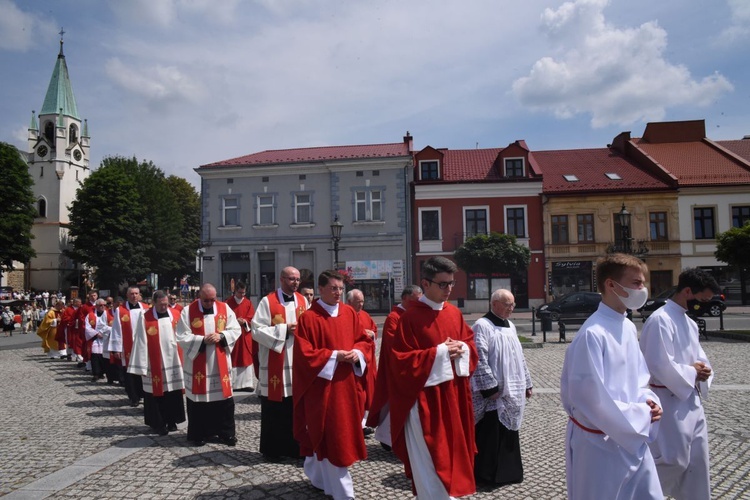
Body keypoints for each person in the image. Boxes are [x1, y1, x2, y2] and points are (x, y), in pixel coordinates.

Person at [560, 253, 663, 500]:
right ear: (611, 285)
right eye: (637, 283)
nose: (643, 289)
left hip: (632, 437)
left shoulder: (627, 325)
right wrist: (641, 415)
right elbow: (590, 400)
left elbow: (639, 377)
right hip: (599, 445)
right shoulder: (592, 334)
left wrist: (650, 401)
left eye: (643, 283)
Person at [388, 256, 478, 499]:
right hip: (425, 402)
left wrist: (462, 348)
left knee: (454, 454)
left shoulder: (454, 313)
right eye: (443, 284)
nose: (449, 290)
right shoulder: (409, 318)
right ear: (425, 284)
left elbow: (470, 344)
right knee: (431, 460)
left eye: (451, 283)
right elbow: (400, 362)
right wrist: (439, 353)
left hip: (454, 398)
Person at [294, 270, 374, 500]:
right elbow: (304, 354)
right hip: (322, 389)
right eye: (333, 288)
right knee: (331, 436)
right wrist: (334, 356)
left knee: (340, 435)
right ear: (321, 289)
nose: (338, 293)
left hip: (347, 386)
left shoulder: (349, 313)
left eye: (340, 288)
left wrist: (357, 352)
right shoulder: (309, 319)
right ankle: (343, 493)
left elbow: (363, 341)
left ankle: (321, 480)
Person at [639, 268, 718, 499]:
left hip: (691, 401)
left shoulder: (689, 323)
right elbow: (658, 364)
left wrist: (704, 370)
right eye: (702, 299)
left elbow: (699, 357)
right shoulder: (660, 320)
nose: (704, 304)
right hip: (669, 401)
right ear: (687, 291)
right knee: (672, 461)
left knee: (698, 463)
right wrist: (691, 372)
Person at [471, 289, 533, 486]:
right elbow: (479, 357)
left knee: (508, 434)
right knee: (490, 435)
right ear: (495, 304)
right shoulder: (482, 326)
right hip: (493, 393)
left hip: (512, 389)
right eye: (508, 305)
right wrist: (489, 388)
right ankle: (487, 476)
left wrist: (527, 383)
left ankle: (509, 473)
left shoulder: (511, 326)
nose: (511, 308)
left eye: (513, 305)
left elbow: (519, 356)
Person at [251, 266, 309, 462]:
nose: (295, 283)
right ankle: (272, 450)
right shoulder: (268, 302)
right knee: (275, 408)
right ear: (282, 279)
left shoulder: (303, 301)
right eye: (292, 279)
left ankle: (295, 447)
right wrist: (284, 330)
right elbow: (256, 330)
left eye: (298, 279)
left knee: (295, 407)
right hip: (276, 361)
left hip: (297, 362)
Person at [176, 283, 242, 447]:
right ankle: (199, 434)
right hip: (199, 362)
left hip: (219, 363)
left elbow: (235, 329)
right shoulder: (188, 311)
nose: (210, 303)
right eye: (206, 300)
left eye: (213, 299)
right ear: (199, 297)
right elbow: (182, 336)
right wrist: (202, 340)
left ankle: (226, 433)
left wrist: (222, 336)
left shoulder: (225, 308)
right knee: (199, 401)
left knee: (223, 399)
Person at [366, 285, 422, 450]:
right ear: (405, 298)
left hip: (411, 366)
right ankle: (387, 438)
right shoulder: (394, 317)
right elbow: (392, 343)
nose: (417, 304)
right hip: (398, 368)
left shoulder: (413, 315)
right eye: (415, 300)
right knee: (394, 406)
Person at [128, 290, 186, 436]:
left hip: (173, 360)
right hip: (154, 363)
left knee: (172, 392)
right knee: (156, 394)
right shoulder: (145, 318)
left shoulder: (176, 315)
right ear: (154, 303)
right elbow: (140, 340)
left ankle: (172, 421)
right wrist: (141, 365)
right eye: (161, 305)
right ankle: (158, 423)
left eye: (166, 304)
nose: (164, 307)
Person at [346, 289, 378, 437]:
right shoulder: (345, 315)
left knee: (368, 391)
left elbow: (374, 331)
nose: (361, 304)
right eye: (357, 301)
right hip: (353, 361)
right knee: (356, 393)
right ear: (349, 302)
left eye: (362, 301)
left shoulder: (365, 315)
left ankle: (364, 422)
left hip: (368, 360)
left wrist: (372, 334)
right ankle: (355, 423)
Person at [110, 287, 150, 404]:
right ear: (127, 295)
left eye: (136, 293)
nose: (134, 296)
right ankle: (134, 397)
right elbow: (116, 329)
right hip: (128, 346)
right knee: (129, 372)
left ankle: (144, 394)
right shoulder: (120, 310)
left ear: (139, 295)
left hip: (143, 346)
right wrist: (116, 348)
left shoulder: (146, 308)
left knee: (143, 370)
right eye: (131, 293)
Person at [225, 281, 256, 391]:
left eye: (244, 293)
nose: (242, 295)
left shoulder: (248, 303)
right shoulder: (228, 302)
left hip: (244, 334)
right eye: (240, 292)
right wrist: (235, 321)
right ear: (235, 291)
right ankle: (234, 384)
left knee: (245, 357)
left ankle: (246, 384)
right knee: (234, 357)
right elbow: (224, 317)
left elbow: (252, 317)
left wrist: (245, 321)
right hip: (233, 334)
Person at [84, 299, 114, 382]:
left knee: (105, 357)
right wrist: (96, 334)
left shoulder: (109, 314)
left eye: (104, 305)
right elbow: (87, 327)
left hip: (106, 338)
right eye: (100, 305)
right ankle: (96, 374)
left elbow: (113, 326)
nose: (103, 307)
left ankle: (104, 373)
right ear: (96, 306)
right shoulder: (90, 315)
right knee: (95, 356)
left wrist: (103, 333)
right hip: (95, 338)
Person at [60, 298, 84, 363]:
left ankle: (78, 355)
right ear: (75, 302)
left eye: (80, 302)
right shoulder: (68, 309)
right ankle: (69, 354)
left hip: (78, 328)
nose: (80, 304)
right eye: (79, 302)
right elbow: (64, 318)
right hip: (70, 328)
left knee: (78, 342)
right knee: (70, 341)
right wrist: (72, 320)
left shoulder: (81, 309)